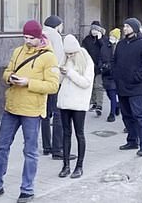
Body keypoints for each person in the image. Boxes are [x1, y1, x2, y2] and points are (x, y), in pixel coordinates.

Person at [0, 20, 59, 203]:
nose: (27, 40)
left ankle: (27, 190)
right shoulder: (18, 51)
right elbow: (7, 72)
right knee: (1, 147)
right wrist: (10, 78)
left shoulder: (49, 57)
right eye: (24, 37)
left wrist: (28, 83)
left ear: (39, 37)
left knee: (30, 152)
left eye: (31, 38)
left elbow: (53, 86)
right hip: (12, 107)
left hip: (32, 111)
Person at [113, 18, 142, 156]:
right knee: (126, 115)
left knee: (139, 115)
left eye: (127, 26)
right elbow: (115, 61)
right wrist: (116, 76)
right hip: (122, 85)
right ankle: (132, 140)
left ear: (135, 28)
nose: (124, 28)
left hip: (137, 87)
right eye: (124, 26)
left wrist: (137, 77)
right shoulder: (121, 44)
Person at [56, 34, 94, 179]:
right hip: (65, 102)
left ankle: (79, 166)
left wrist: (70, 73)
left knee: (79, 134)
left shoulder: (86, 59)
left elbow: (86, 82)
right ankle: (65, 166)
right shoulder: (65, 58)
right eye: (67, 53)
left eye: (72, 53)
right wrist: (59, 72)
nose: (70, 56)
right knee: (66, 134)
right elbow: (59, 81)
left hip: (78, 103)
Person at [40, 15, 69, 160]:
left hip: (41, 80)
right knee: (58, 113)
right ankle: (58, 149)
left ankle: (47, 146)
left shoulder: (40, 35)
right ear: (58, 25)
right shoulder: (55, 37)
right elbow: (58, 59)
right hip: (54, 80)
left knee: (44, 114)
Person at [81, 21, 106, 116]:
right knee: (90, 85)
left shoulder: (103, 39)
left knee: (98, 86)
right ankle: (94, 102)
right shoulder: (87, 39)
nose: (94, 31)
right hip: (89, 65)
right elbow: (83, 50)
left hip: (99, 66)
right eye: (93, 29)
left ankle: (99, 105)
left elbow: (105, 50)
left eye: (96, 29)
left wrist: (100, 40)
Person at [100, 28, 121, 122]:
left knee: (112, 93)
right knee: (109, 93)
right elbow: (100, 57)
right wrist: (101, 66)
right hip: (106, 73)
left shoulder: (120, 47)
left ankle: (112, 114)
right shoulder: (105, 46)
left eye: (113, 36)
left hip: (115, 74)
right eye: (111, 36)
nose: (111, 38)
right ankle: (117, 105)